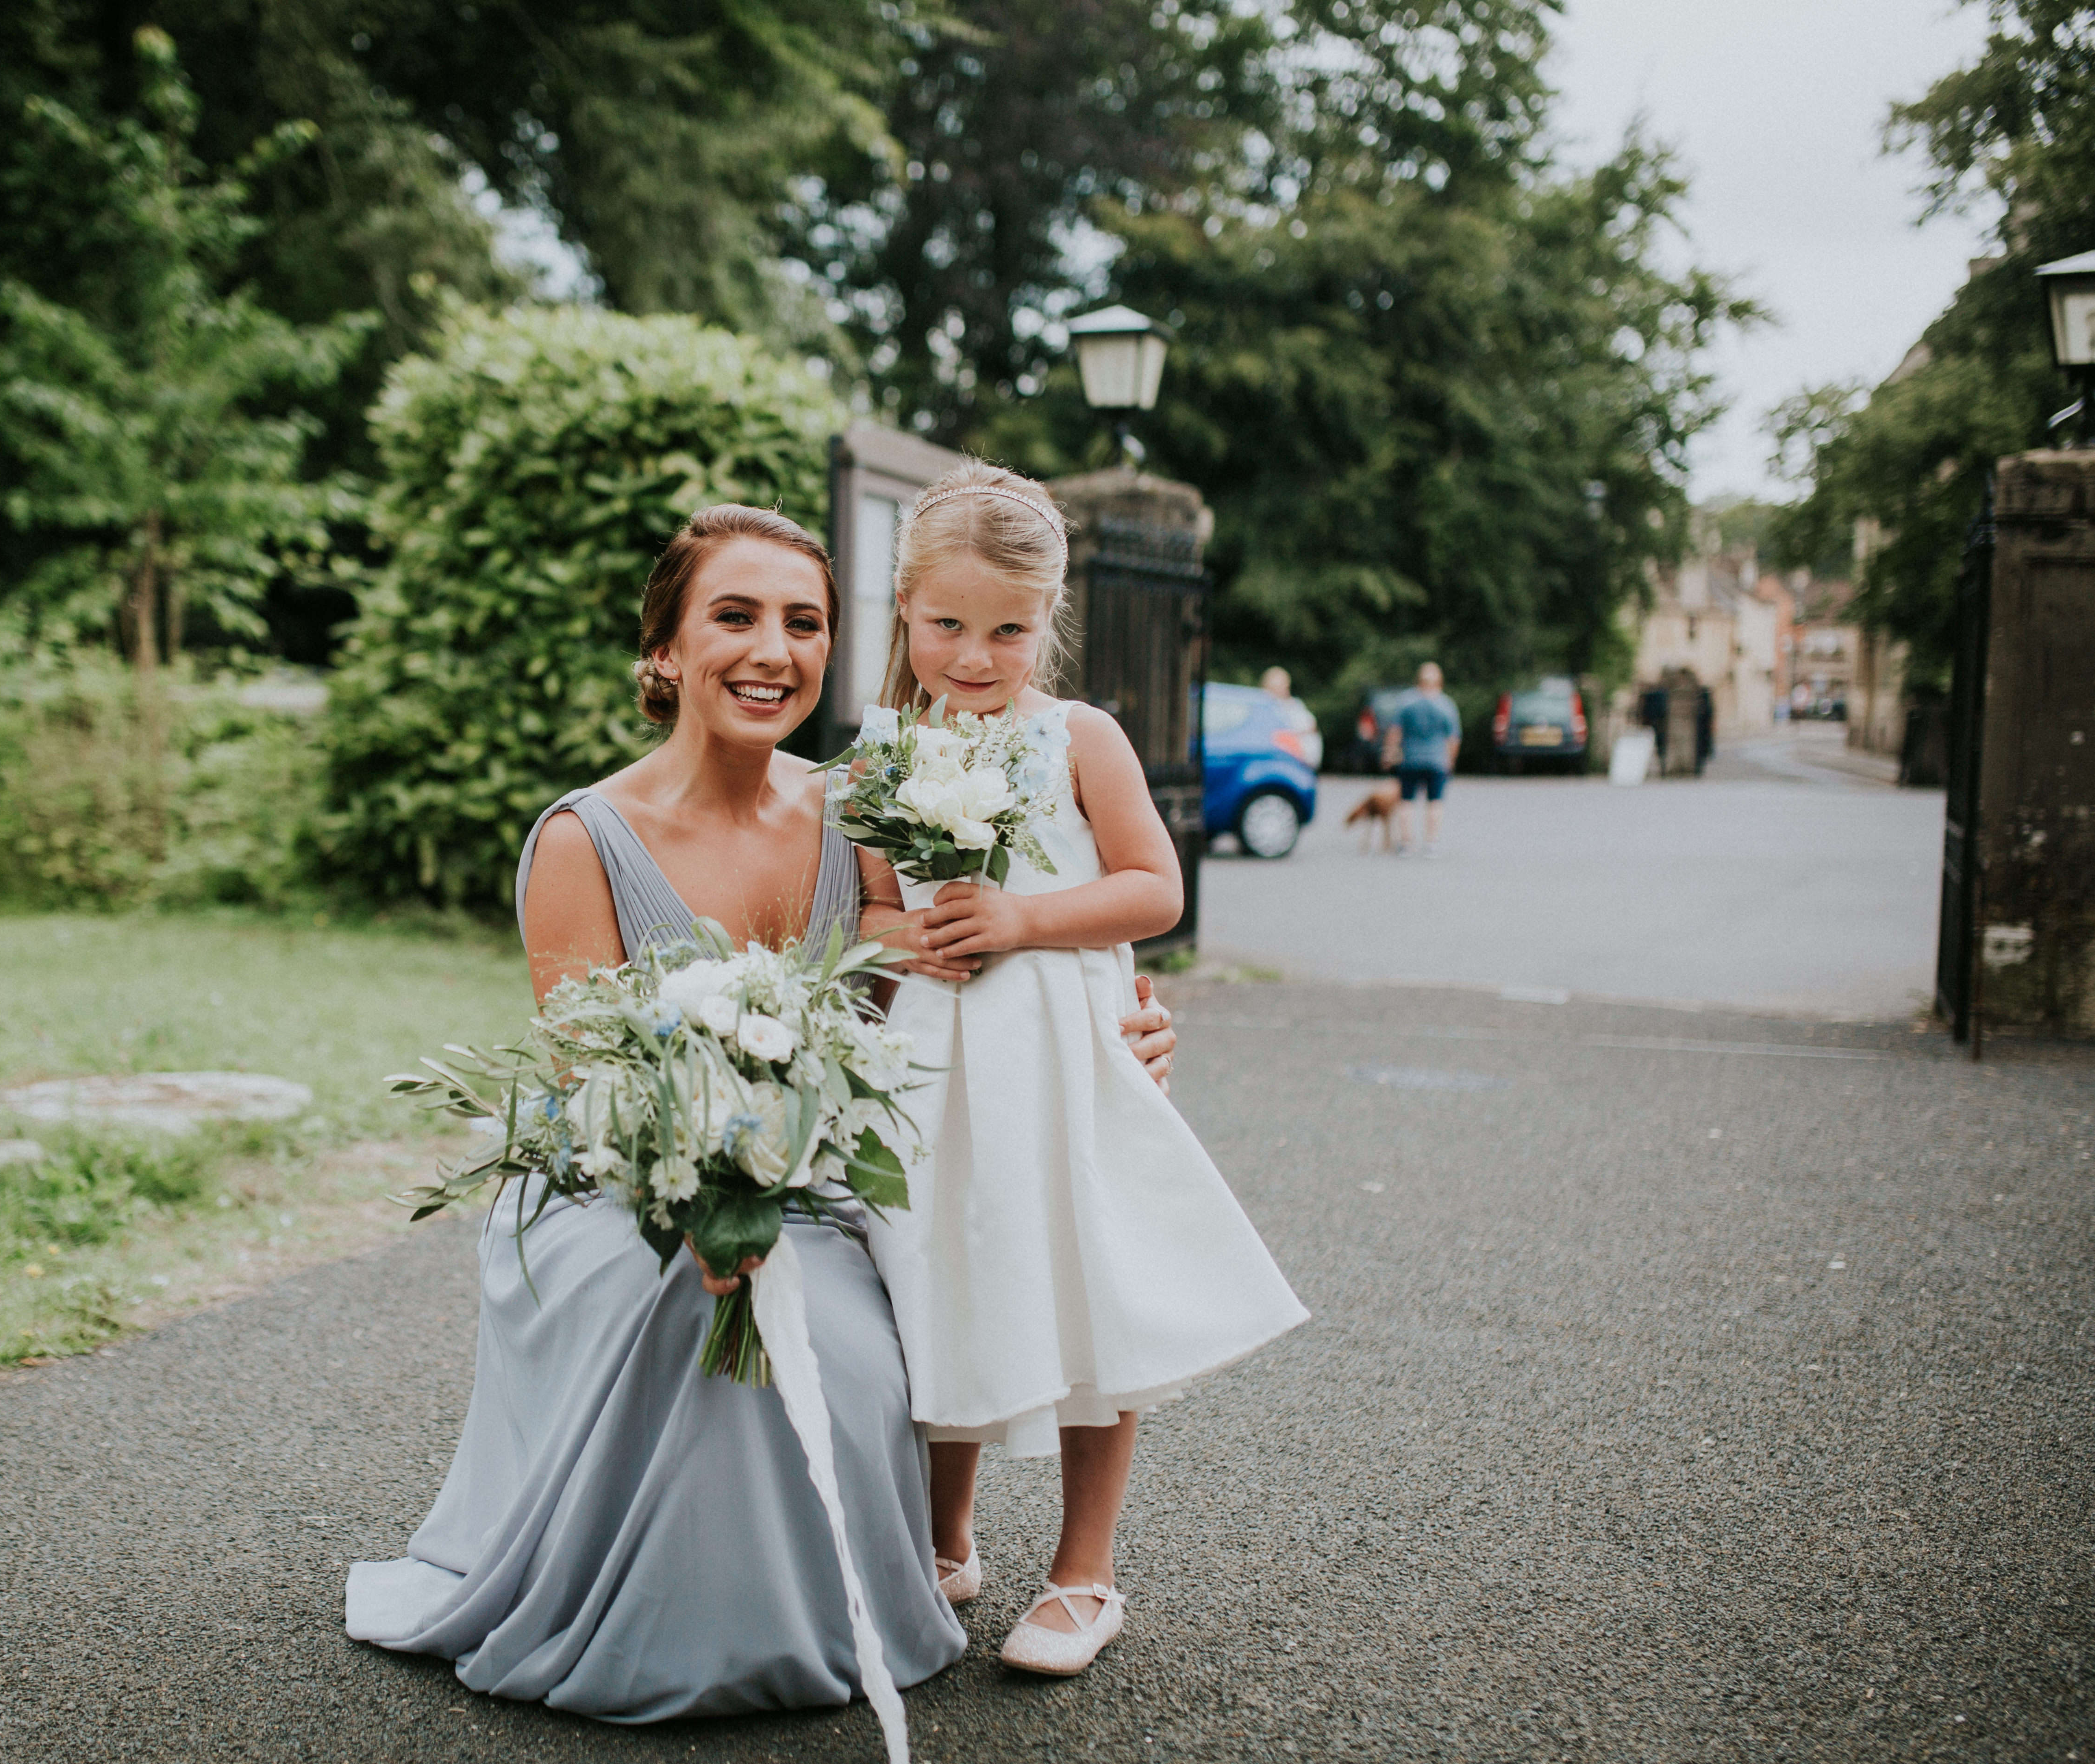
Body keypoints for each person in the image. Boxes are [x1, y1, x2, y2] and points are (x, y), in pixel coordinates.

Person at [343, 505, 1181, 1721]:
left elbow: (956, 971)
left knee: (843, 1335)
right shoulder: (583, 839)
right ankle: (660, 1616)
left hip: (804, 1174)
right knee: (699, 1298)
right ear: (665, 649)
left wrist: (1122, 1026)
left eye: (803, 622)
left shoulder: (860, 804)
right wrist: (696, 1199)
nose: (772, 648)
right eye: (732, 616)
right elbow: (594, 1078)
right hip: (620, 1182)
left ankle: (850, 1596)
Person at [857, 461, 1310, 1678]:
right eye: (947, 623)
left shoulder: (1077, 737)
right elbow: (860, 911)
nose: (974, 653)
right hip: (928, 1067)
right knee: (933, 1281)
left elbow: (1153, 887)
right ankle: (944, 1541)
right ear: (904, 608)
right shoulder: (881, 747)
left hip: (1059, 1056)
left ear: (1047, 617)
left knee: (1085, 1287)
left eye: (1008, 628)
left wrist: (1019, 919)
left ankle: (1083, 1571)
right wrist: (914, 933)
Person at [1383, 661, 1460, 856]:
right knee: (1435, 802)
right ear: (1440, 681)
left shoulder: (1407, 701)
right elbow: (1453, 739)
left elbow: (1395, 731)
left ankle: (1406, 845)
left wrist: (1389, 752)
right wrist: (1450, 760)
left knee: (1406, 801)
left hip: (1411, 759)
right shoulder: (1446, 704)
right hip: (1436, 761)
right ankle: (1431, 844)